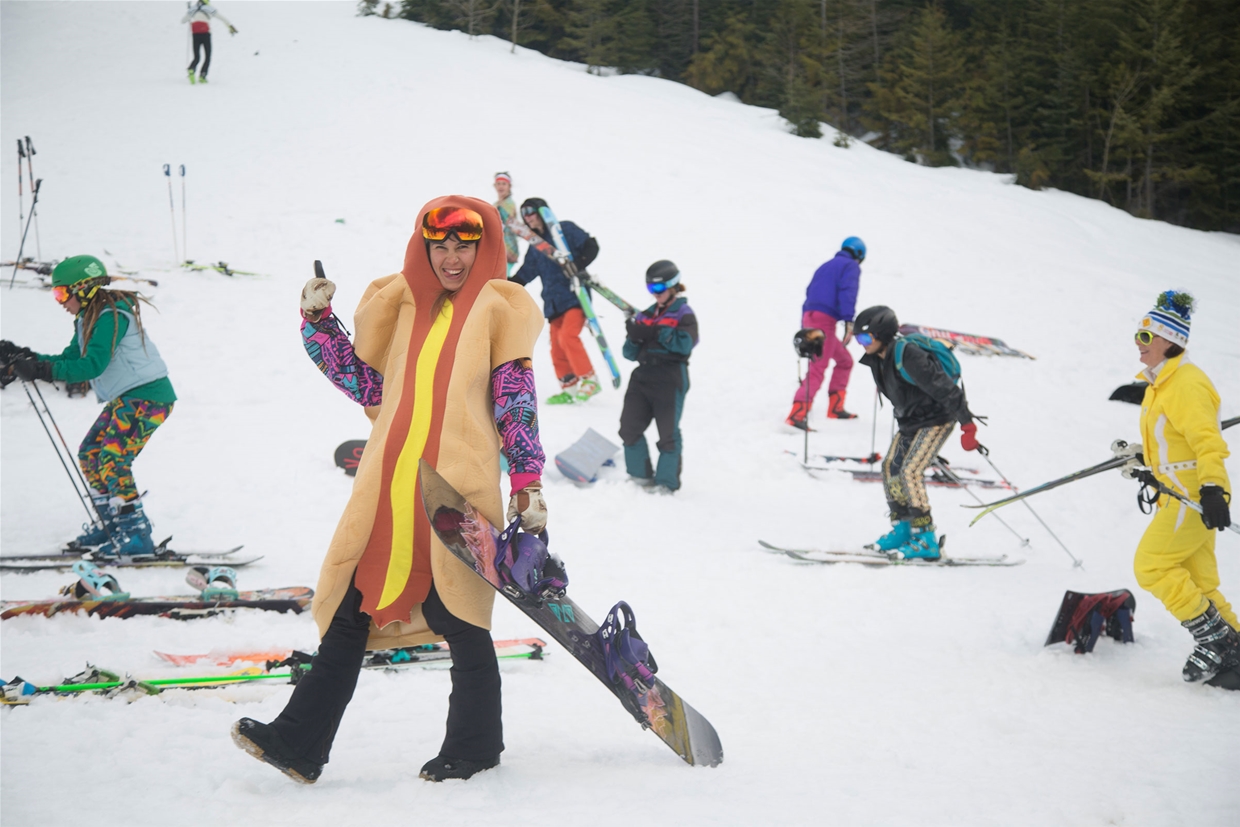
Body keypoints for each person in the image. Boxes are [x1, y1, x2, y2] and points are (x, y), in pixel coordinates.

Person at [231, 197, 547, 784]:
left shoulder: (500, 309)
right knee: (352, 606)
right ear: (423, 247)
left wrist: (527, 481)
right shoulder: (404, 305)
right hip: (390, 488)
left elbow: (515, 398)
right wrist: (318, 323)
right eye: (440, 245)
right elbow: (365, 382)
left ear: (485, 248)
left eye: (464, 245)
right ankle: (299, 743)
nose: (451, 258)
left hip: (456, 487)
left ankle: (475, 746)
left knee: (462, 619)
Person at [1, 256, 176, 556]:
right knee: (91, 454)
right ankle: (112, 527)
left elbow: (90, 366)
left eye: (61, 293)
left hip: (149, 397)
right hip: (129, 397)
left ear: (84, 289)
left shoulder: (112, 317)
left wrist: (42, 371)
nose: (59, 301)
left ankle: (136, 536)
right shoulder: (88, 319)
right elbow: (71, 360)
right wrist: (26, 359)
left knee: (113, 459)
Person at [1129, 291, 1237, 689]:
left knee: (1152, 565)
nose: (1137, 344)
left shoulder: (1187, 385)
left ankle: (1216, 638)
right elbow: (1175, 440)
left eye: (1144, 337)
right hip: (1175, 492)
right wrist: (1145, 459)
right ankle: (1236, 649)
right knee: (1201, 583)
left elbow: (1208, 444)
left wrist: (1212, 490)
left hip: (1191, 497)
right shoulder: (1163, 384)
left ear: (1168, 340)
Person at [854, 305, 978, 560]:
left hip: (937, 419)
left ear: (883, 334)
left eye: (865, 338)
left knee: (910, 471)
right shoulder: (877, 358)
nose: (862, 344)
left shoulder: (909, 355)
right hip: (911, 421)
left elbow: (945, 388)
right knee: (891, 468)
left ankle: (926, 538)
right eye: (858, 339)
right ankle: (903, 528)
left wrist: (968, 424)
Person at [509, 197, 601, 404]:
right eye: (524, 214)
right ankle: (569, 387)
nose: (527, 217)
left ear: (543, 212)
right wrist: (508, 284)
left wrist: (578, 264)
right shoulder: (535, 247)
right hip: (553, 303)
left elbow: (591, 246)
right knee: (556, 346)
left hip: (575, 295)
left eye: (531, 212)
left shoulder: (565, 229)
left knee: (568, 337)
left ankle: (589, 379)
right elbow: (526, 273)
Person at [619, 261, 699, 492]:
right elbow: (628, 353)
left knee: (667, 433)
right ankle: (640, 476)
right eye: (650, 290)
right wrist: (634, 336)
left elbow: (685, 344)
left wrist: (654, 332)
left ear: (673, 286)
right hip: (643, 375)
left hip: (670, 376)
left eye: (658, 290)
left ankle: (666, 482)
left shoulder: (684, 314)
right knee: (629, 427)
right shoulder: (646, 314)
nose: (655, 295)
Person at [786, 236, 865, 429]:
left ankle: (835, 408)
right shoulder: (850, 266)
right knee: (818, 367)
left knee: (845, 361)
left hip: (810, 317)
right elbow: (848, 291)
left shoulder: (825, 266)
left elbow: (809, 292)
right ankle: (797, 414)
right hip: (825, 321)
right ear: (860, 255)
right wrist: (848, 320)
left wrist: (805, 328)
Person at [181, 0, 237, 85]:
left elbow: (183, 21)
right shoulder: (209, 8)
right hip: (205, 33)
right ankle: (202, 76)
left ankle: (191, 68)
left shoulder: (193, 9)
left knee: (197, 56)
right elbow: (221, 18)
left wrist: (189, 13)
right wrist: (230, 26)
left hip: (195, 34)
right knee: (207, 55)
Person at [492, 172, 519, 276]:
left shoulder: (508, 204)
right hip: (498, 250)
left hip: (508, 249)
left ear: (509, 186)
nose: (501, 186)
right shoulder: (496, 205)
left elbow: (508, 224)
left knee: (502, 278)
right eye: (498, 184)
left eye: (504, 184)